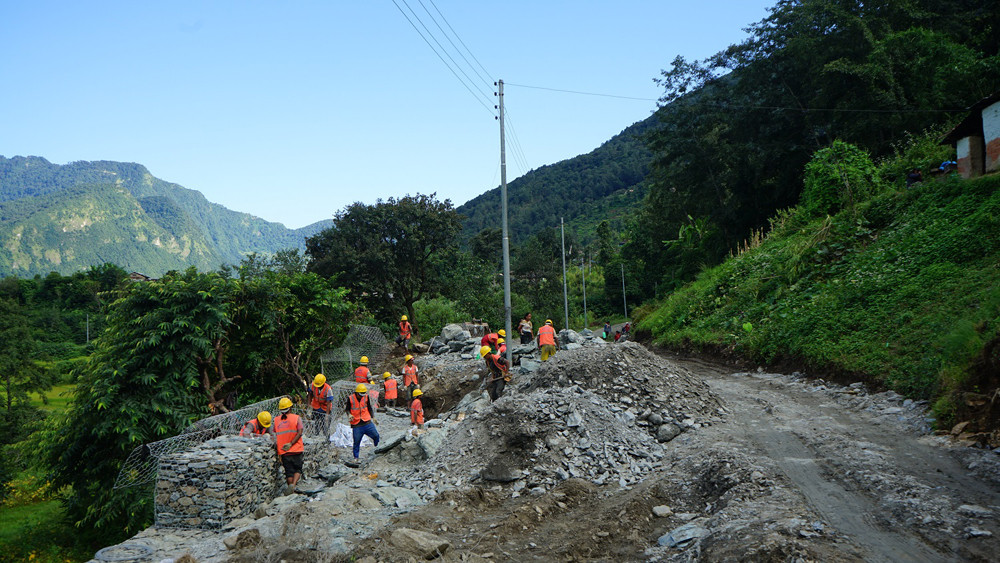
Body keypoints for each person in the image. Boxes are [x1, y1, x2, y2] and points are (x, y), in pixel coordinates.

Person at [273, 397, 304, 494]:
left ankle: (291, 488)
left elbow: (274, 434)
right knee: (298, 469)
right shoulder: (296, 418)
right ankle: (293, 485)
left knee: (289, 472)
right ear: (290, 408)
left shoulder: (276, 420)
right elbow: (300, 432)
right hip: (296, 449)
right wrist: (291, 443)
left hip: (284, 451)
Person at [346, 383, 380, 465]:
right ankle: (356, 458)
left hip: (367, 421)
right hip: (357, 424)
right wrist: (349, 414)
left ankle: (377, 449)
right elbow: (347, 409)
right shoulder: (350, 398)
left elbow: (369, 408)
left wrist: (373, 417)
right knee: (356, 442)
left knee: (376, 436)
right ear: (356, 393)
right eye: (360, 395)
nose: (362, 396)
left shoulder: (366, 397)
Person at [308, 373, 334, 439]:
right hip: (316, 407)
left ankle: (326, 439)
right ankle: (316, 437)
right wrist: (309, 405)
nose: (317, 386)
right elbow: (310, 394)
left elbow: (329, 403)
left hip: (325, 409)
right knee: (316, 424)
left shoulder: (328, 389)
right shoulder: (313, 385)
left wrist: (327, 415)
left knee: (325, 425)